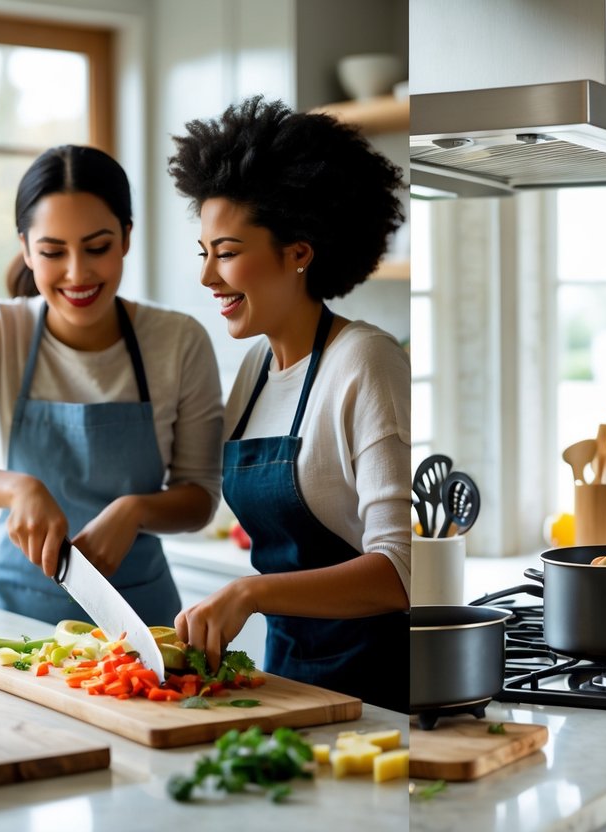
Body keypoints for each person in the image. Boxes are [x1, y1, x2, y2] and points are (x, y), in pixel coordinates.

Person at [0, 145, 224, 626]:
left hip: (136, 623)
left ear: (127, 237)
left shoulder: (178, 341)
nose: (77, 273)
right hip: (7, 619)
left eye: (97, 247)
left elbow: (199, 497)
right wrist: (15, 489)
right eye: (52, 252)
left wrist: (135, 511)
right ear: (25, 248)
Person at [166, 96, 410, 712]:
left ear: (299, 252)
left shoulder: (365, 361)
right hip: (289, 682)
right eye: (205, 253)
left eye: (226, 252)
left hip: (377, 689)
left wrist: (252, 592)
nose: (207, 278)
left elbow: (400, 572)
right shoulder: (254, 367)